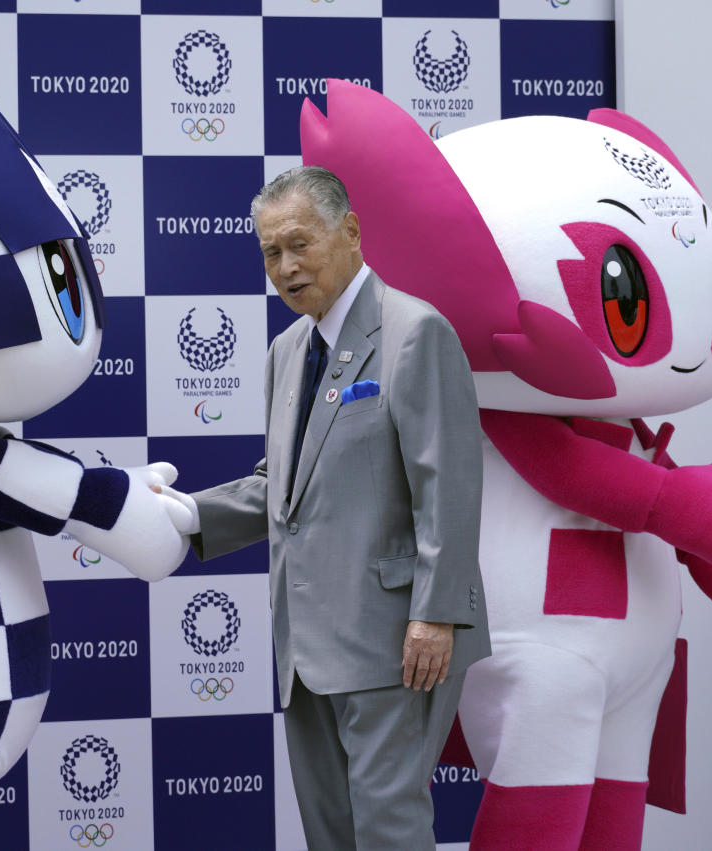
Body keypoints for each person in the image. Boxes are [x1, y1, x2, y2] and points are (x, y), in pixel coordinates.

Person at [183, 166, 489, 850]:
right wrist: (183, 517)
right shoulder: (286, 351)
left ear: (349, 232)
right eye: (270, 253)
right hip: (307, 643)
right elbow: (282, 487)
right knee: (333, 835)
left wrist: (436, 614)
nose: (285, 267)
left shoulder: (415, 332)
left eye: (298, 244)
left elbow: (450, 484)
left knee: (388, 831)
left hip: (397, 640)